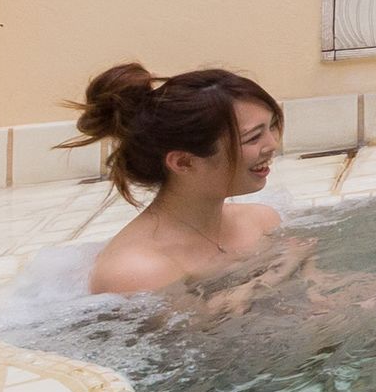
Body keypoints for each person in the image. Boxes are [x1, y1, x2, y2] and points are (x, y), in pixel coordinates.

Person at [80, 64, 296, 296]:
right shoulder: (135, 272)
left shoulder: (261, 221)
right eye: (253, 137)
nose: (273, 144)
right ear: (183, 162)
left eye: (271, 126)